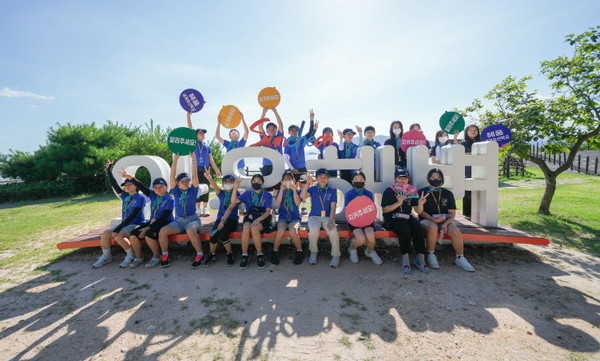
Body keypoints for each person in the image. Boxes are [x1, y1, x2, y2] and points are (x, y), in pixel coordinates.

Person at [417, 168, 475, 272]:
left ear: (442, 179)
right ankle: (431, 254)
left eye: (438, 177)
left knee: (455, 231)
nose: (435, 179)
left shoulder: (447, 193)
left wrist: (446, 223)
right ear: (428, 178)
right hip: (427, 220)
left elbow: (452, 213)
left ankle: (460, 257)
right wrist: (432, 219)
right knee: (432, 227)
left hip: (444, 220)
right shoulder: (422, 192)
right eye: (433, 177)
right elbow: (420, 212)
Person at [92, 160, 147, 268]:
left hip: (136, 223)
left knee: (118, 234)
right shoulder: (125, 196)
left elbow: (132, 216)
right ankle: (106, 257)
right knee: (106, 234)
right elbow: (114, 184)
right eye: (125, 185)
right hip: (125, 224)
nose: (127, 186)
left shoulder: (140, 198)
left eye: (130, 184)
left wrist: (118, 228)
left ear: (136, 186)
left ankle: (130, 256)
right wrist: (109, 170)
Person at [157, 153, 206, 269]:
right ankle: (165, 255)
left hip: (193, 220)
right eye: (183, 181)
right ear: (178, 183)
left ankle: (200, 254)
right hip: (178, 222)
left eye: (187, 181)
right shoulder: (176, 191)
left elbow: (195, 177)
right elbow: (172, 176)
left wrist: (193, 160)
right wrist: (175, 160)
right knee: (163, 231)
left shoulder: (193, 190)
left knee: (190, 229)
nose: (186, 182)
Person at [117, 172, 175, 268]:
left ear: (166, 187)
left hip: (164, 222)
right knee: (133, 234)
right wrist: (131, 178)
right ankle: (139, 257)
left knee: (148, 234)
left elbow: (164, 217)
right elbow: (142, 187)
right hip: (152, 222)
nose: (159, 189)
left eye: (161, 186)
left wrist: (147, 228)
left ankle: (156, 256)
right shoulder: (152, 195)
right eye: (156, 187)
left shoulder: (170, 199)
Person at [380, 169, 428, 274]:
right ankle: (405, 259)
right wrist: (398, 203)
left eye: (405, 178)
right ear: (395, 179)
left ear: (408, 180)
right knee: (404, 229)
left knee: (418, 227)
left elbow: (418, 211)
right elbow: (385, 209)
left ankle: (420, 258)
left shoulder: (411, 191)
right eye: (400, 178)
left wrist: (420, 204)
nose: (402, 180)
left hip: (407, 217)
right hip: (392, 218)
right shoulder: (389, 191)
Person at [300, 168, 341, 268]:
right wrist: (307, 183)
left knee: (333, 231)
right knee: (313, 230)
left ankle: (336, 255)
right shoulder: (313, 189)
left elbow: (333, 207)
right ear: (317, 178)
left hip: (327, 217)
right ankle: (313, 252)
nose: (323, 179)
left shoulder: (332, 191)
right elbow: (302, 196)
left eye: (325, 177)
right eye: (320, 177)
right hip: (314, 216)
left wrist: (331, 221)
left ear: (328, 179)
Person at [233, 174, 273, 269]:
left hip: (262, 218)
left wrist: (258, 219)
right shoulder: (247, 194)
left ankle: (259, 254)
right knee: (246, 227)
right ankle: (244, 255)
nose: (256, 182)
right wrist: (235, 188)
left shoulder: (267, 195)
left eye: (258, 181)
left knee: (254, 227)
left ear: (262, 183)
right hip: (250, 216)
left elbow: (268, 211)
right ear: (251, 182)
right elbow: (234, 201)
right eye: (254, 181)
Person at [187, 112, 222, 217]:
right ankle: (197, 208)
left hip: (206, 168)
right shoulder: (193, 143)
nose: (203, 135)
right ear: (196, 135)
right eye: (201, 133)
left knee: (206, 186)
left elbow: (211, 159)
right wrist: (188, 116)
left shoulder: (207, 146)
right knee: (196, 187)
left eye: (204, 133)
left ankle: (205, 208)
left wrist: (216, 170)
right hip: (196, 167)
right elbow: (190, 129)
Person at [344, 171, 382, 265]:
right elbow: (348, 211)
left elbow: (371, 209)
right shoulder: (349, 194)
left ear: (364, 181)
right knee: (360, 239)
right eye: (356, 179)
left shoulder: (368, 193)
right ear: (352, 181)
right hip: (354, 221)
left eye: (361, 179)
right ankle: (352, 249)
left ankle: (370, 251)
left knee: (370, 236)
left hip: (367, 221)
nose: (358, 181)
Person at [203, 173, 239, 267]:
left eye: (230, 182)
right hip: (220, 219)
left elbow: (232, 206)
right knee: (213, 235)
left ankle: (229, 253)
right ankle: (212, 254)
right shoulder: (221, 193)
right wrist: (209, 177)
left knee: (223, 234)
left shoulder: (236, 193)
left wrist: (235, 188)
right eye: (225, 182)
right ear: (223, 184)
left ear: (234, 183)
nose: (228, 183)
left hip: (232, 219)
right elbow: (215, 186)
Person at [272, 172, 304, 265]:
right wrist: (281, 190)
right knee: (280, 230)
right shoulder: (280, 192)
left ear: (293, 180)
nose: (287, 182)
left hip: (294, 218)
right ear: (282, 181)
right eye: (285, 180)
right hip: (283, 217)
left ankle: (299, 251)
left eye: (289, 179)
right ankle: (275, 251)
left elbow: (298, 203)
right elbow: (277, 203)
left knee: (293, 230)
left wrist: (294, 191)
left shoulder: (297, 191)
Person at [284, 109, 317, 183]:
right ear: (289, 132)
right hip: (293, 169)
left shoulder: (302, 140)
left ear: (299, 131)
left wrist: (311, 120)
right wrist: (292, 168)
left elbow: (310, 132)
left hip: (303, 169)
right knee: (293, 188)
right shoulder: (288, 143)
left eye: (296, 130)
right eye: (292, 130)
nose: (294, 131)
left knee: (303, 188)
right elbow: (285, 158)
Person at [460, 124, 481, 218]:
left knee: (478, 191)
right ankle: (467, 213)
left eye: (475, 130)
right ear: (466, 132)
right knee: (468, 191)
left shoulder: (481, 142)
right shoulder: (463, 143)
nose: (473, 131)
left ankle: (477, 212)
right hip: (468, 170)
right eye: (471, 130)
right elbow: (467, 154)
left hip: (479, 169)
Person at [258, 107, 284, 176]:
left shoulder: (279, 138)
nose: (271, 130)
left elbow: (280, 125)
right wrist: (263, 113)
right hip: (266, 166)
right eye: (269, 129)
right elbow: (260, 127)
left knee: (278, 186)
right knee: (266, 186)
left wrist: (275, 111)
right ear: (266, 131)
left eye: (273, 129)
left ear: (276, 130)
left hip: (278, 165)